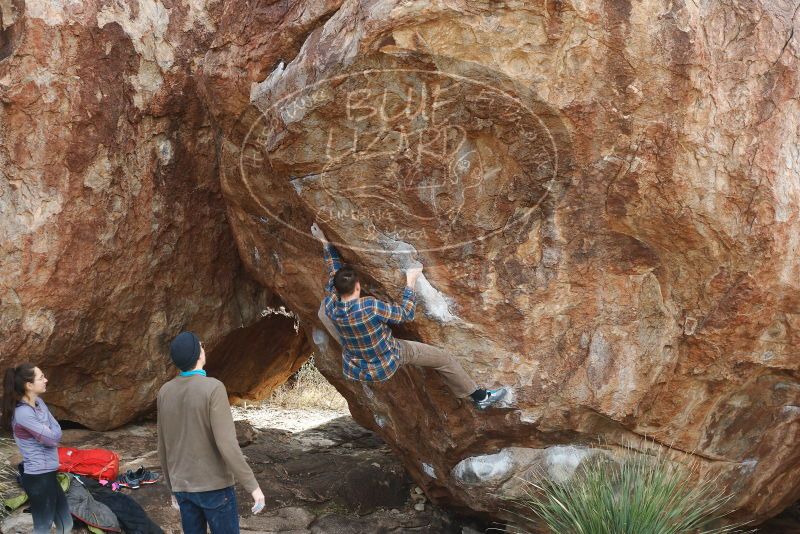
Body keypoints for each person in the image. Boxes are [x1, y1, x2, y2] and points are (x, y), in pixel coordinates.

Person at [310, 223, 507, 409]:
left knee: (322, 312)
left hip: (356, 364)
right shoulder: (369, 306)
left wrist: (324, 242)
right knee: (444, 359)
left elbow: (334, 272)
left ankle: (350, 344)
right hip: (386, 360)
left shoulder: (331, 303)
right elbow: (405, 314)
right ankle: (481, 397)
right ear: (358, 287)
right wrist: (411, 281)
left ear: (336, 289)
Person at [157, 332, 265, 534]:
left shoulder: (165, 391)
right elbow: (227, 444)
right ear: (198, 354)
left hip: (183, 488)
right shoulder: (213, 388)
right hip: (214, 488)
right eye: (201, 345)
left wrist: (172, 488)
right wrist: (253, 486)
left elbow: (162, 445)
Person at [1, 363, 73, 534]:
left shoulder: (39, 403)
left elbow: (56, 431)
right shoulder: (23, 413)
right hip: (38, 476)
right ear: (29, 385)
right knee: (42, 528)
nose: (46, 379)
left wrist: (50, 432)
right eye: (41, 377)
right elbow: (51, 438)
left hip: (48, 473)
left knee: (66, 523)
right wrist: (49, 431)